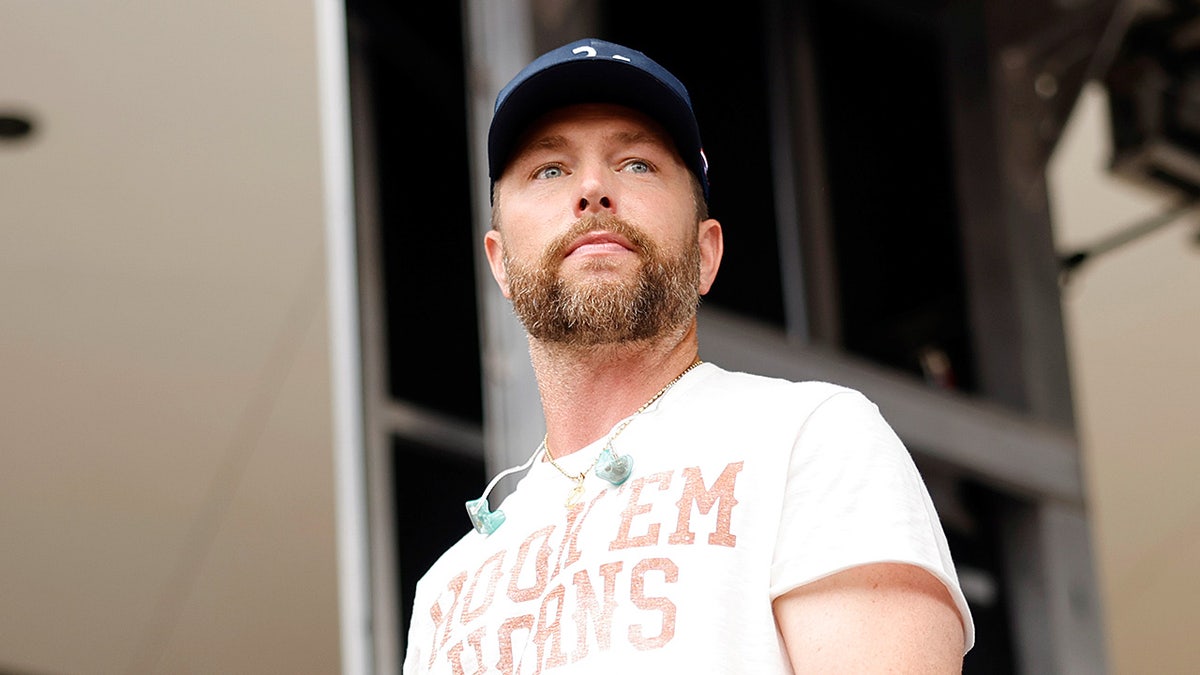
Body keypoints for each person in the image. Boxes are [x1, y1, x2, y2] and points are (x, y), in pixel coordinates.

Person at [403, 38, 974, 673]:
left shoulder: (810, 439)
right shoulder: (445, 588)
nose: (592, 188)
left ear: (706, 253)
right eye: (550, 169)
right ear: (501, 264)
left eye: (637, 164)